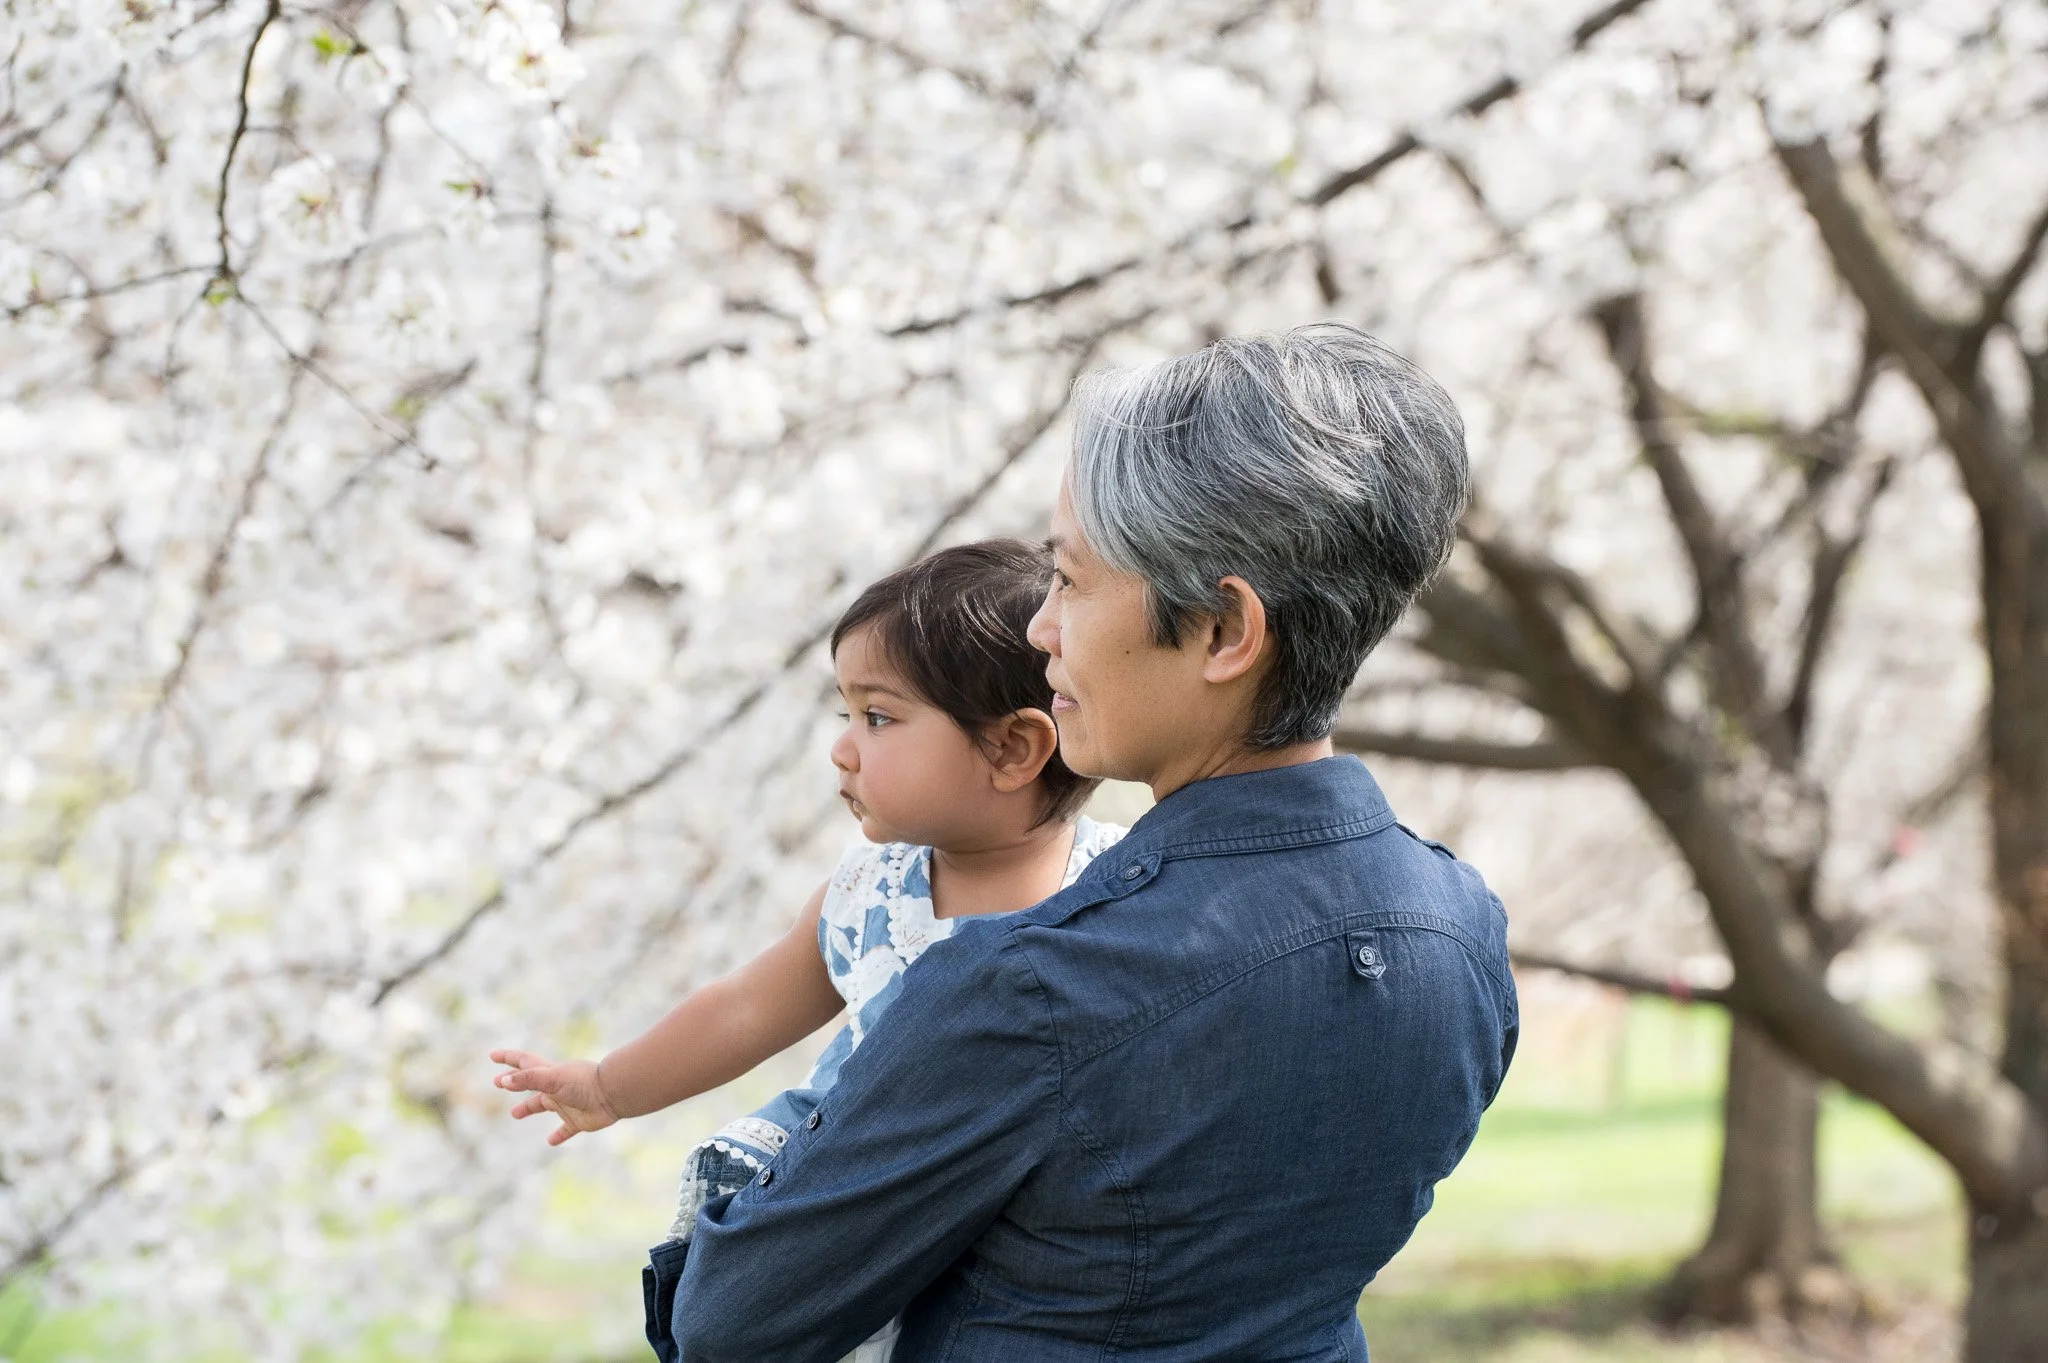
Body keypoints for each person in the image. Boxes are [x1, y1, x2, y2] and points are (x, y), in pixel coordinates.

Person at [670, 322, 1520, 1361]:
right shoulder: (1461, 935)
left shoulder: (1027, 988)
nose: (1040, 629)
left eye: (1069, 581)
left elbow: (729, 1321)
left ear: (1224, 631)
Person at [488, 540, 1125, 1363]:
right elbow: (747, 1007)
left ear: (1010, 748)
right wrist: (611, 1086)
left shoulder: (1114, 891)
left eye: (879, 717)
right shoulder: (870, 894)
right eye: (844, 715)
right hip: (848, 1210)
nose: (842, 748)